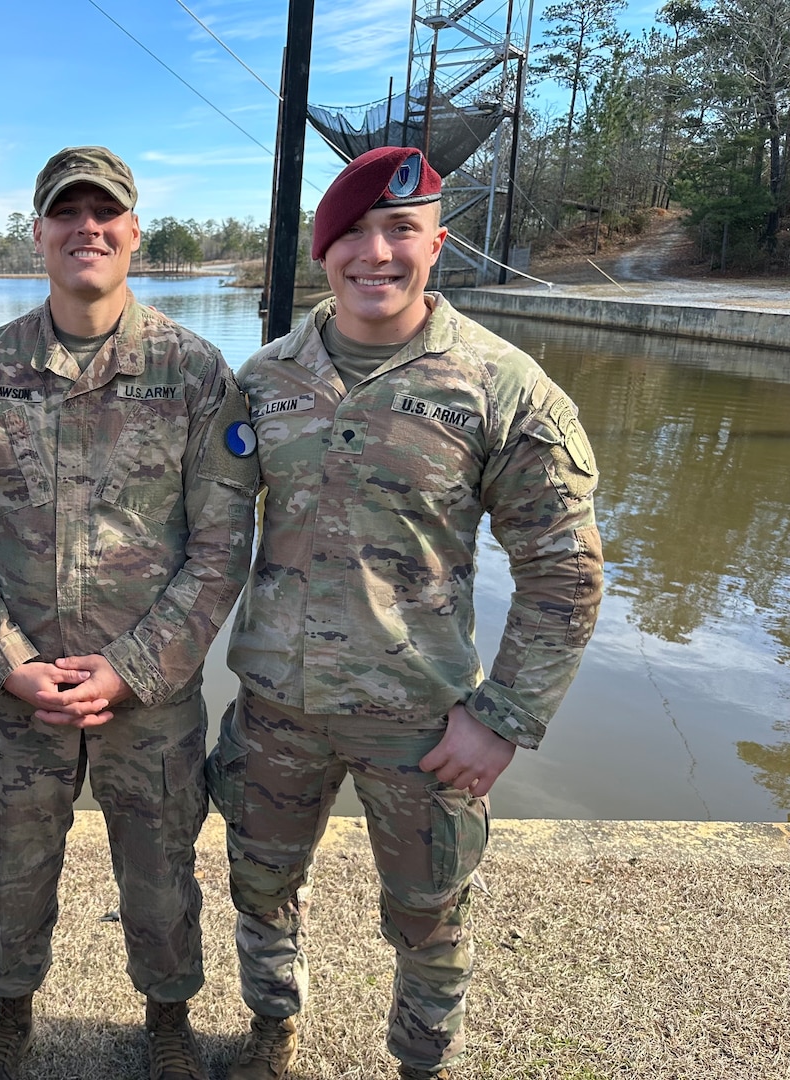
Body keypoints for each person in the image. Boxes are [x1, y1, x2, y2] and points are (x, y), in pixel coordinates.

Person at [211, 146, 605, 1080]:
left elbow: (565, 569)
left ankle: (421, 1065)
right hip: (277, 709)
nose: (374, 254)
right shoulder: (266, 379)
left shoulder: (501, 387)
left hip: (424, 723)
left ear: (438, 242)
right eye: (352, 235)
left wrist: (503, 719)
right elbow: (210, 539)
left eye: (400, 231)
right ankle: (272, 1034)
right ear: (323, 251)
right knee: (260, 889)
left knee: (430, 918)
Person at [0, 146, 259, 1080]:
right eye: (65, 213)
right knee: (15, 872)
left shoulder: (195, 373)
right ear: (37, 232)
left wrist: (136, 666)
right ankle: (9, 1020)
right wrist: (6, 662)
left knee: (161, 881)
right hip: (20, 697)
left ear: (133, 232)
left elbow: (221, 544)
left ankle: (166, 1025)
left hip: (148, 700)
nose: (87, 228)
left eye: (104, 212)